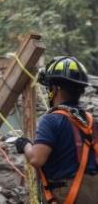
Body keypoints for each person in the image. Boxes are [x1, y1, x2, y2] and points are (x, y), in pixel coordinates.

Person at [15, 57, 98, 203]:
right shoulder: (91, 122)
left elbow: (36, 159)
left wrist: (25, 145)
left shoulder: (52, 120)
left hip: (67, 194)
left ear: (55, 89)